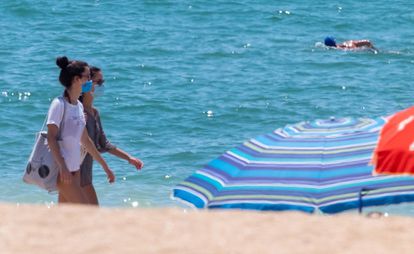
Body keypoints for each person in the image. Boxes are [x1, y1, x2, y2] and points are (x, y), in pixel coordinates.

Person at [47, 56, 115, 204]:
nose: (90, 81)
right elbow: (50, 138)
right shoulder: (58, 104)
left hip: (75, 170)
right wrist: (63, 168)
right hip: (63, 173)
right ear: (77, 79)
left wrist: (106, 167)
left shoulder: (78, 106)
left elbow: (86, 141)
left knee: (66, 215)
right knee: (85, 212)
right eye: (87, 77)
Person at [79, 66, 144, 205]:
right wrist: (106, 167)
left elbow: (104, 144)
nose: (102, 86)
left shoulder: (94, 113)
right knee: (89, 211)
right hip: (74, 172)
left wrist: (129, 158)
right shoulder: (78, 112)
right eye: (100, 82)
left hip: (85, 174)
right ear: (88, 84)